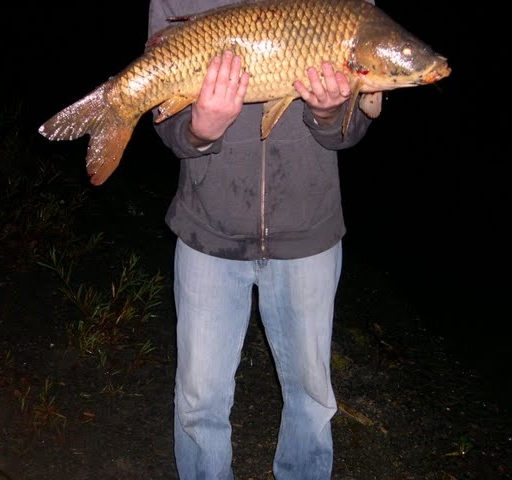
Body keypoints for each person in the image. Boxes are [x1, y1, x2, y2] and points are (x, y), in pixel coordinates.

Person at [148, 1, 374, 478]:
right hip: (208, 230)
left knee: (312, 402)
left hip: (308, 232)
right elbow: (166, 119)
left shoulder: (349, 11)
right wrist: (199, 130)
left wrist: (331, 113)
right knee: (198, 404)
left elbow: (351, 129)